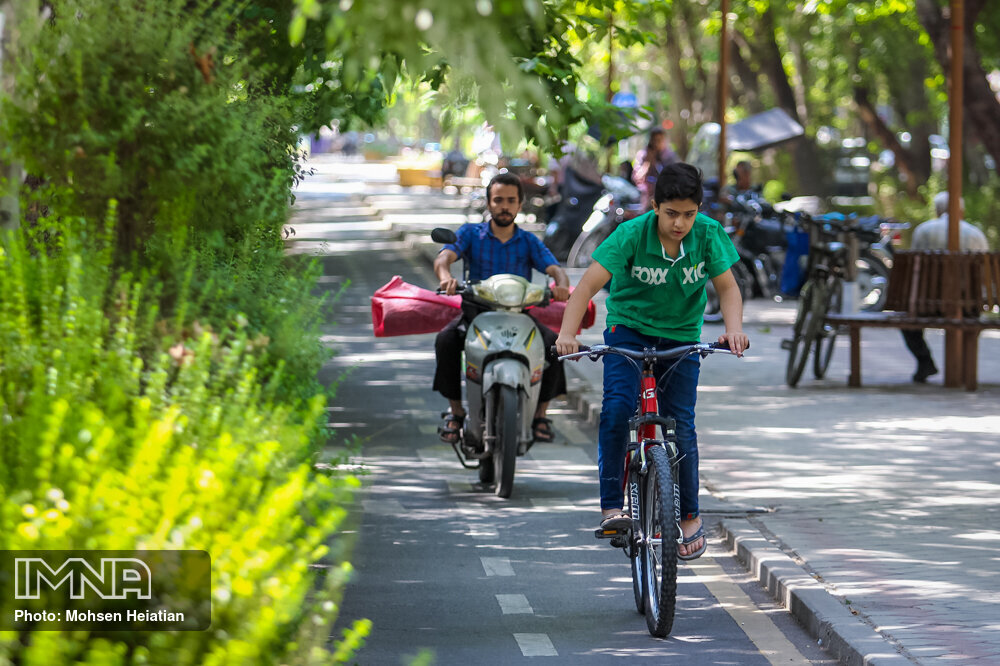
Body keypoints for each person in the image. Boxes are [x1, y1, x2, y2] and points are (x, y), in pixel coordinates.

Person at [555, 162, 748, 561]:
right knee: (616, 410)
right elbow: (585, 288)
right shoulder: (630, 234)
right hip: (629, 330)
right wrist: (567, 335)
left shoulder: (709, 235)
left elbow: (728, 288)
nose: (680, 223)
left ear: (699, 210)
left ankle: (690, 516)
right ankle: (612, 506)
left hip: (680, 336)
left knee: (681, 425)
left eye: (689, 214)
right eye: (671, 213)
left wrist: (734, 329)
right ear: (655, 206)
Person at [434, 172, 571, 444]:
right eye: (498, 200)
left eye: (510, 200)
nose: (504, 206)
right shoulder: (471, 233)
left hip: (518, 316)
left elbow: (555, 269)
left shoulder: (529, 241)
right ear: (488, 203)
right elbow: (443, 258)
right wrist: (445, 277)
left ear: (520, 204)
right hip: (476, 314)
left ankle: (541, 415)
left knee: (555, 346)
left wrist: (562, 285)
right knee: (446, 340)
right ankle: (457, 412)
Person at [902, 191, 989, 383]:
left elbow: (916, 271)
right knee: (970, 325)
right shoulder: (975, 234)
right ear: (962, 211)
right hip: (968, 307)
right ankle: (967, 368)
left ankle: (925, 362)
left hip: (927, 306)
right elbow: (985, 275)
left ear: (936, 211)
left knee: (908, 325)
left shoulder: (923, 231)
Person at [631, 127, 679, 211]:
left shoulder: (670, 156)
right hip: (647, 199)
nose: (657, 143)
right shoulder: (643, 155)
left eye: (660, 140)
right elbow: (636, 177)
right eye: (655, 140)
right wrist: (647, 164)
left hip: (667, 199)